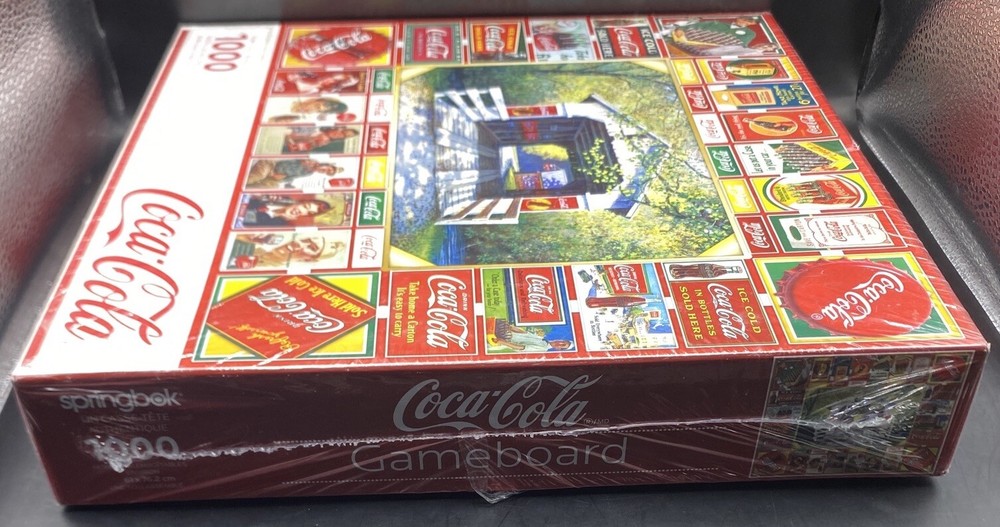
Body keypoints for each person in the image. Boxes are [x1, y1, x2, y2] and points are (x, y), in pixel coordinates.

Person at [246, 159, 345, 189]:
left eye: (327, 173)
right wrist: (277, 173)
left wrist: (282, 179)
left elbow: (292, 177)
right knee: (258, 176)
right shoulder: (310, 161)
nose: (325, 171)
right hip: (271, 165)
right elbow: (284, 163)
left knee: (271, 187)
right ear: (326, 164)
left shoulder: (309, 173)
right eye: (327, 169)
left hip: (274, 176)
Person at [240, 195, 331, 227]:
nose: (303, 212)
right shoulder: (276, 198)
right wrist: (258, 196)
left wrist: (280, 217)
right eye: (305, 206)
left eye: (309, 213)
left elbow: (243, 218)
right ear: (299, 202)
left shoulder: (278, 224)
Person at [283, 126, 360, 153]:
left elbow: (308, 146)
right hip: (289, 133)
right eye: (345, 132)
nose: (340, 135)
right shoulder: (316, 128)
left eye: (347, 136)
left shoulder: (325, 141)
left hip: (291, 143)